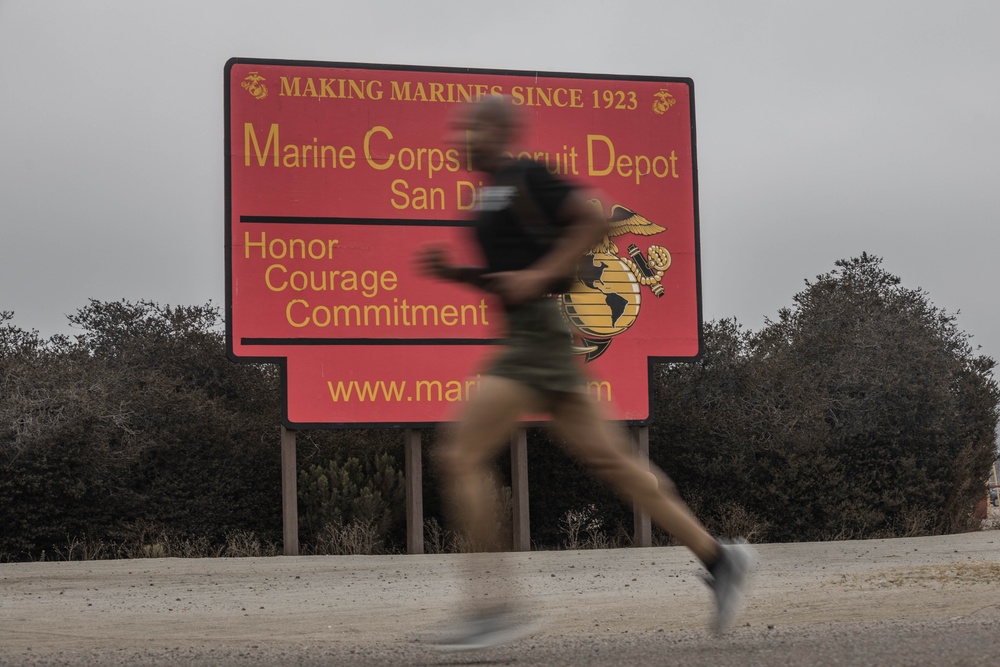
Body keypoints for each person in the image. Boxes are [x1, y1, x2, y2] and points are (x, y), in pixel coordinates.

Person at [417, 96, 755, 650]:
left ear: (499, 130)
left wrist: (541, 274)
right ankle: (722, 560)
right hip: (539, 338)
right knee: (615, 462)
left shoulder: (525, 174)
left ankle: (495, 607)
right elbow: (511, 277)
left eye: (473, 125)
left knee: (460, 455)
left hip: (534, 339)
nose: (461, 135)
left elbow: (590, 220)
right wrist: (458, 274)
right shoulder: (486, 198)